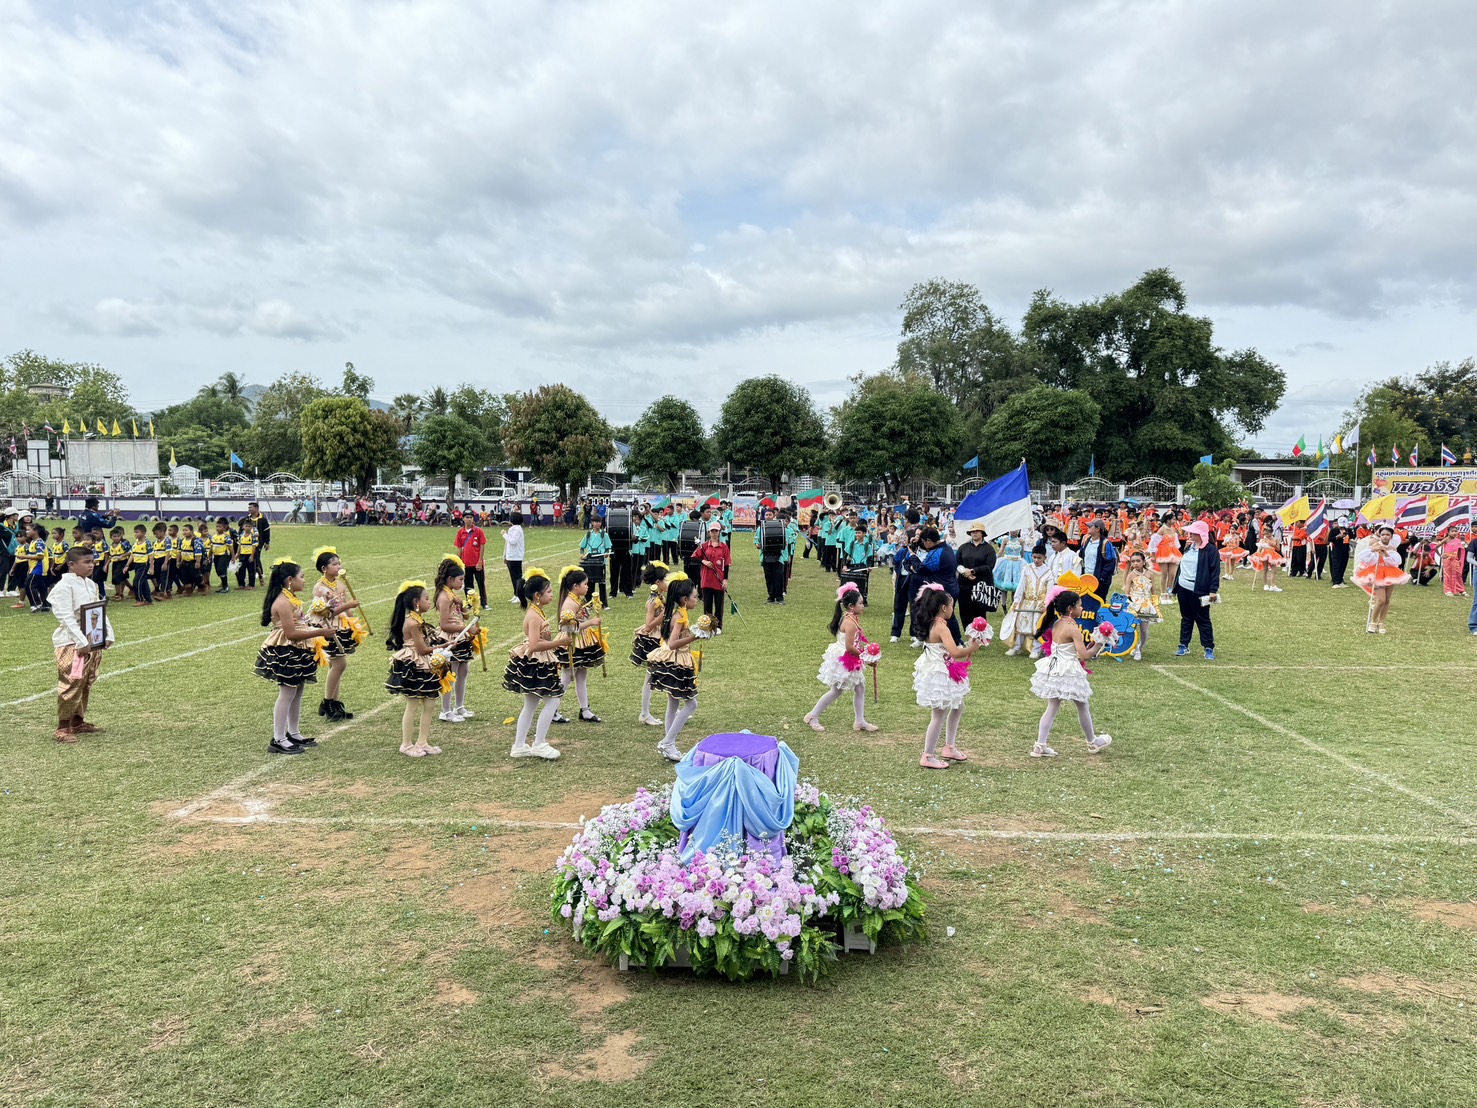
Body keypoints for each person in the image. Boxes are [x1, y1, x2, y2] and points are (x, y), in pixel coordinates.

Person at [254, 559, 332, 756]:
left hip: (297, 649)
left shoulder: (291, 598)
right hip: (286, 650)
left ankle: (293, 733)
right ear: (290, 580)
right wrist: (320, 632)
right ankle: (278, 738)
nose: (305, 581)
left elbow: (301, 623)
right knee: (287, 693)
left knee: (297, 691)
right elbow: (290, 634)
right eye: (302, 577)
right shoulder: (282, 601)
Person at [1029, 589, 1112, 758]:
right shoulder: (1073, 628)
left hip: (1054, 668)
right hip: (1068, 670)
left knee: (1052, 707)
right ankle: (1092, 741)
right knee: (1082, 705)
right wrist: (1099, 644)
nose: (1082, 608)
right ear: (1070, 609)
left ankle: (1040, 745)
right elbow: (1084, 655)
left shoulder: (1057, 624)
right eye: (1080, 605)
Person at [48, 545, 116, 743]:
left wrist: (107, 634)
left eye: (92, 561)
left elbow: (98, 610)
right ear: (71, 565)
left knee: (87, 681)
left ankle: (78, 721)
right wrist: (80, 640)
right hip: (72, 643)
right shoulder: (63, 587)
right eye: (86, 562)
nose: (91, 565)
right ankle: (62, 727)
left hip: (92, 641)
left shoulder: (90, 584)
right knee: (72, 682)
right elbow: (65, 616)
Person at [502, 568, 568, 760]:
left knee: (531, 704)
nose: (552, 595)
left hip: (540, 662)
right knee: (553, 700)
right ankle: (539, 743)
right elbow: (534, 644)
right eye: (548, 592)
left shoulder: (537, 612)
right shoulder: (533, 615)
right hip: (535, 664)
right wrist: (559, 642)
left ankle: (520, 745)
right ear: (537, 595)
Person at [910, 583, 978, 770]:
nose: (952, 610)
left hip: (941, 669)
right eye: (952, 606)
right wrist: (972, 647)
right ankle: (928, 755)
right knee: (938, 715)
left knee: (958, 706)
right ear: (943, 608)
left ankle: (949, 746)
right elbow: (955, 652)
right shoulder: (940, 626)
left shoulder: (932, 623)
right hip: (939, 672)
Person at [804, 581, 877, 734]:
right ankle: (813, 715)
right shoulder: (849, 622)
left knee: (860, 687)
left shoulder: (850, 618)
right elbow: (849, 647)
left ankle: (860, 721)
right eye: (860, 603)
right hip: (845, 659)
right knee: (836, 691)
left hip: (849, 657)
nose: (863, 606)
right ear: (851, 607)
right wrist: (865, 657)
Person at [645, 573, 701, 762]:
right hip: (676, 661)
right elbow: (673, 643)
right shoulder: (678, 616)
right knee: (692, 704)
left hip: (677, 660)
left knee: (673, 703)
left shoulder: (678, 612)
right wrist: (694, 637)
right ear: (685, 599)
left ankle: (670, 745)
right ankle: (667, 742)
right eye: (694, 596)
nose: (697, 599)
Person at [385, 581, 445, 758]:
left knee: (430, 702)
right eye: (426, 599)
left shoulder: (418, 620)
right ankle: (406, 743)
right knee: (413, 703)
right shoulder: (413, 623)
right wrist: (446, 646)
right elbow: (421, 649)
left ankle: (422, 741)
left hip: (425, 663)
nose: (429, 602)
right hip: (415, 663)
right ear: (416, 603)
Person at [310, 548, 365, 722]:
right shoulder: (320, 588)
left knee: (338, 666)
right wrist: (346, 606)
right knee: (339, 665)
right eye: (334, 564)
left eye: (339, 563)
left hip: (341, 627)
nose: (338, 566)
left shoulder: (340, 584)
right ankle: (327, 702)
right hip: (327, 627)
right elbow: (326, 613)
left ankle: (334, 702)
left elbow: (345, 606)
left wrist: (353, 623)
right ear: (324, 568)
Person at [557, 566, 605, 724]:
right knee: (567, 676)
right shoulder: (569, 603)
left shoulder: (577, 600)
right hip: (572, 642)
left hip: (583, 641)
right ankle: (553, 709)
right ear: (575, 586)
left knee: (581, 676)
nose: (588, 586)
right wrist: (591, 622)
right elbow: (565, 627)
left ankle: (585, 710)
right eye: (585, 584)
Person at [433, 556, 476, 723]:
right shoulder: (444, 597)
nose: (462, 583)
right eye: (460, 579)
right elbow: (444, 625)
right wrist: (466, 629)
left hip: (461, 636)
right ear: (450, 579)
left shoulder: (453, 595)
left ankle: (459, 706)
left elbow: (463, 616)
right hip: (450, 638)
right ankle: (445, 710)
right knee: (451, 673)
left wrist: (464, 607)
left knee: (463, 671)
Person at [1173, 520, 1221, 660]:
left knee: (1203, 619)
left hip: (1200, 589)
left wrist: (1213, 590)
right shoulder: (1189, 547)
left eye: (1193, 533)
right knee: (1186, 617)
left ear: (1201, 534)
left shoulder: (1211, 550)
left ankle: (1208, 647)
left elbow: (1214, 571)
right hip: (1183, 587)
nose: (1190, 535)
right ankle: (1183, 644)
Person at [632, 561, 670, 727]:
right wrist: (664, 615)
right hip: (653, 640)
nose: (667, 582)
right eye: (665, 579)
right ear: (657, 583)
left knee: (667, 674)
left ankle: (671, 709)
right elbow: (648, 625)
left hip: (661, 637)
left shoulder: (660, 597)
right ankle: (644, 713)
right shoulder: (653, 601)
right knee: (650, 677)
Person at [1355, 525, 1408, 634]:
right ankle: (1373, 622)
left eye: (1387, 535)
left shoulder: (1392, 548)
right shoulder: (1374, 545)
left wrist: (1386, 554)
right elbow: (1365, 558)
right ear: (1380, 535)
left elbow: (1396, 562)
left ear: (1391, 536)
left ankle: (1381, 622)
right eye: (1383, 534)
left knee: (1387, 600)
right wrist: (1373, 550)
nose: (1385, 537)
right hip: (1377, 573)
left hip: (1389, 573)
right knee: (1381, 600)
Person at [1006, 543, 1052, 658]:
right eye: (1034, 557)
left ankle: (1036, 649)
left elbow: (1050, 590)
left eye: (1039, 558)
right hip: (1027, 602)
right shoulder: (1027, 569)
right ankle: (1016, 647)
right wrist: (1017, 600)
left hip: (1040, 603)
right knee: (1021, 624)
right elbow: (1021, 586)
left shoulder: (1049, 572)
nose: (1036, 560)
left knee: (1037, 626)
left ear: (1044, 558)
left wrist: (1047, 604)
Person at [954, 524, 998, 630]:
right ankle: (968, 633)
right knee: (964, 611)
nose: (974, 533)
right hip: (964, 585)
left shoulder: (989, 549)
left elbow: (989, 566)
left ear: (982, 533)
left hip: (981, 585)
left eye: (977, 531)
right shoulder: (963, 547)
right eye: (972, 531)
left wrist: (973, 571)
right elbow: (957, 562)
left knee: (979, 612)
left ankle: (979, 634)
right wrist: (964, 572)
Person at [1123, 550, 1162, 661]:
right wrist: (1128, 603)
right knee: (1132, 628)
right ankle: (1133, 647)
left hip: (1146, 604)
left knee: (1144, 629)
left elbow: (1154, 591)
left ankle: (1140, 647)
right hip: (1134, 604)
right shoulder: (1130, 575)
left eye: (1138, 561)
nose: (1135, 563)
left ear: (1144, 561)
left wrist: (1156, 605)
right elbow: (1127, 592)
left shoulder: (1150, 574)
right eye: (1133, 561)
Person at [695, 521, 731, 633]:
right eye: (712, 531)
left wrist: (725, 580)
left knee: (719, 605)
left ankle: (718, 626)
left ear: (719, 532)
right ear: (709, 532)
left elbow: (727, 564)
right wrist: (704, 562)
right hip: (706, 580)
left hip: (719, 580)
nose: (714, 533)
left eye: (716, 531)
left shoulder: (724, 547)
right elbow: (694, 558)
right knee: (707, 604)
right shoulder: (704, 546)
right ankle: (707, 626)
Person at [1079, 520, 1119, 600]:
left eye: (1090, 526)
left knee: (1098, 601)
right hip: (1086, 577)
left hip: (1100, 581)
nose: (1088, 528)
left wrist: (1101, 578)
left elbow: (1110, 563)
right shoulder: (1086, 540)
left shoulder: (1106, 544)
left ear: (1097, 529)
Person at [578, 515, 612, 608]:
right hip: (590, 559)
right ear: (592, 523)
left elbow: (609, 547)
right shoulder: (588, 534)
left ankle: (604, 604)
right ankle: (589, 603)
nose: (598, 524)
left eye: (599, 522)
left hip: (600, 559)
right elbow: (582, 547)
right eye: (596, 522)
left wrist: (607, 553)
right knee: (590, 582)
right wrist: (582, 554)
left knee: (602, 582)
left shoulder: (604, 534)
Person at [455, 514, 488, 603]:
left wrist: (480, 561)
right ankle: (470, 602)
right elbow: (459, 548)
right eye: (467, 517)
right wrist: (458, 562)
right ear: (463, 519)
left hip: (477, 563)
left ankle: (484, 603)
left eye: (471, 517)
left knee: (481, 584)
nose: (469, 519)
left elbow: (482, 546)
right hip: (466, 563)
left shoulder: (478, 531)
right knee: (468, 585)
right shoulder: (460, 532)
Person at [993, 531, 1025, 610]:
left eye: (1016, 530)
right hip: (1007, 564)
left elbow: (1022, 553)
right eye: (1012, 530)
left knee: (1016, 585)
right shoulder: (1005, 540)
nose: (1014, 532)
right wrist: (994, 559)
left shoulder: (1021, 541)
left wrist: (1022, 563)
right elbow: (1000, 552)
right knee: (1005, 584)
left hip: (1017, 564)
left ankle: (1013, 604)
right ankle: (1004, 605)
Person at [501, 511, 527, 607]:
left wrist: (504, 534)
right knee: (513, 577)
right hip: (510, 556)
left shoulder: (517, 529)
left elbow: (512, 541)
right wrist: (505, 556)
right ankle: (516, 594)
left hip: (516, 556)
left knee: (517, 577)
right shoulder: (512, 528)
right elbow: (507, 544)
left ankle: (520, 595)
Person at [1250, 522, 1285, 591]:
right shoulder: (1263, 539)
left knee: (1274, 570)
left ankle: (1273, 585)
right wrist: (1258, 551)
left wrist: (1272, 544)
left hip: (1272, 555)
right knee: (1265, 569)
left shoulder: (1275, 539)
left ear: (1271, 532)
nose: (1267, 534)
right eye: (1265, 532)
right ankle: (1265, 585)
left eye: (1268, 532)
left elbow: (1278, 548)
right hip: (1265, 554)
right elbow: (1259, 549)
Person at [1441, 532, 1468, 597]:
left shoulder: (1458, 541)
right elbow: (1436, 547)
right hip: (1448, 559)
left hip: (1455, 559)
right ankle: (1448, 590)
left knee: (1458, 574)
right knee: (1448, 575)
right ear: (1449, 532)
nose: (1454, 532)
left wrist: (1459, 559)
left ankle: (1460, 590)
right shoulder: (1446, 539)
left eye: (1455, 531)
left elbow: (1460, 550)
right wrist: (1441, 555)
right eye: (1452, 531)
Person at [1328, 521, 1352, 589]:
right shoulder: (1334, 531)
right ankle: (1335, 582)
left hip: (1345, 550)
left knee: (1343, 566)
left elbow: (1351, 538)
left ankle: (1340, 580)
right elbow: (1330, 539)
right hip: (1337, 550)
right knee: (1336, 566)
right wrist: (1338, 536)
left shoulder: (1348, 530)